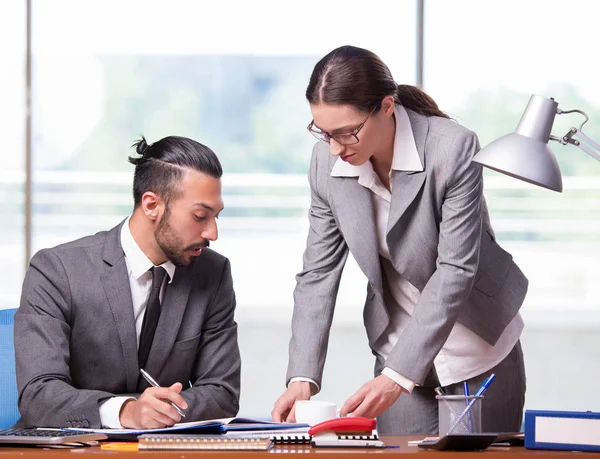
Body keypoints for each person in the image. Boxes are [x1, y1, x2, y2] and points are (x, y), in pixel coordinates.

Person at [271, 46, 527, 435]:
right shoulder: (326, 162)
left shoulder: (452, 147)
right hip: (398, 349)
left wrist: (397, 374)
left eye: (347, 132)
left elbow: (456, 268)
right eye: (324, 133)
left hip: (478, 346)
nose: (336, 148)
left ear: (387, 107)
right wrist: (302, 377)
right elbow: (317, 275)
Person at [15, 136, 241, 429]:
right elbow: (38, 395)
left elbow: (222, 393)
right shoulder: (58, 271)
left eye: (216, 216)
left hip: (164, 450)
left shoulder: (213, 272)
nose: (212, 233)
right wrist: (125, 412)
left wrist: (159, 412)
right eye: (200, 216)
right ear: (151, 205)